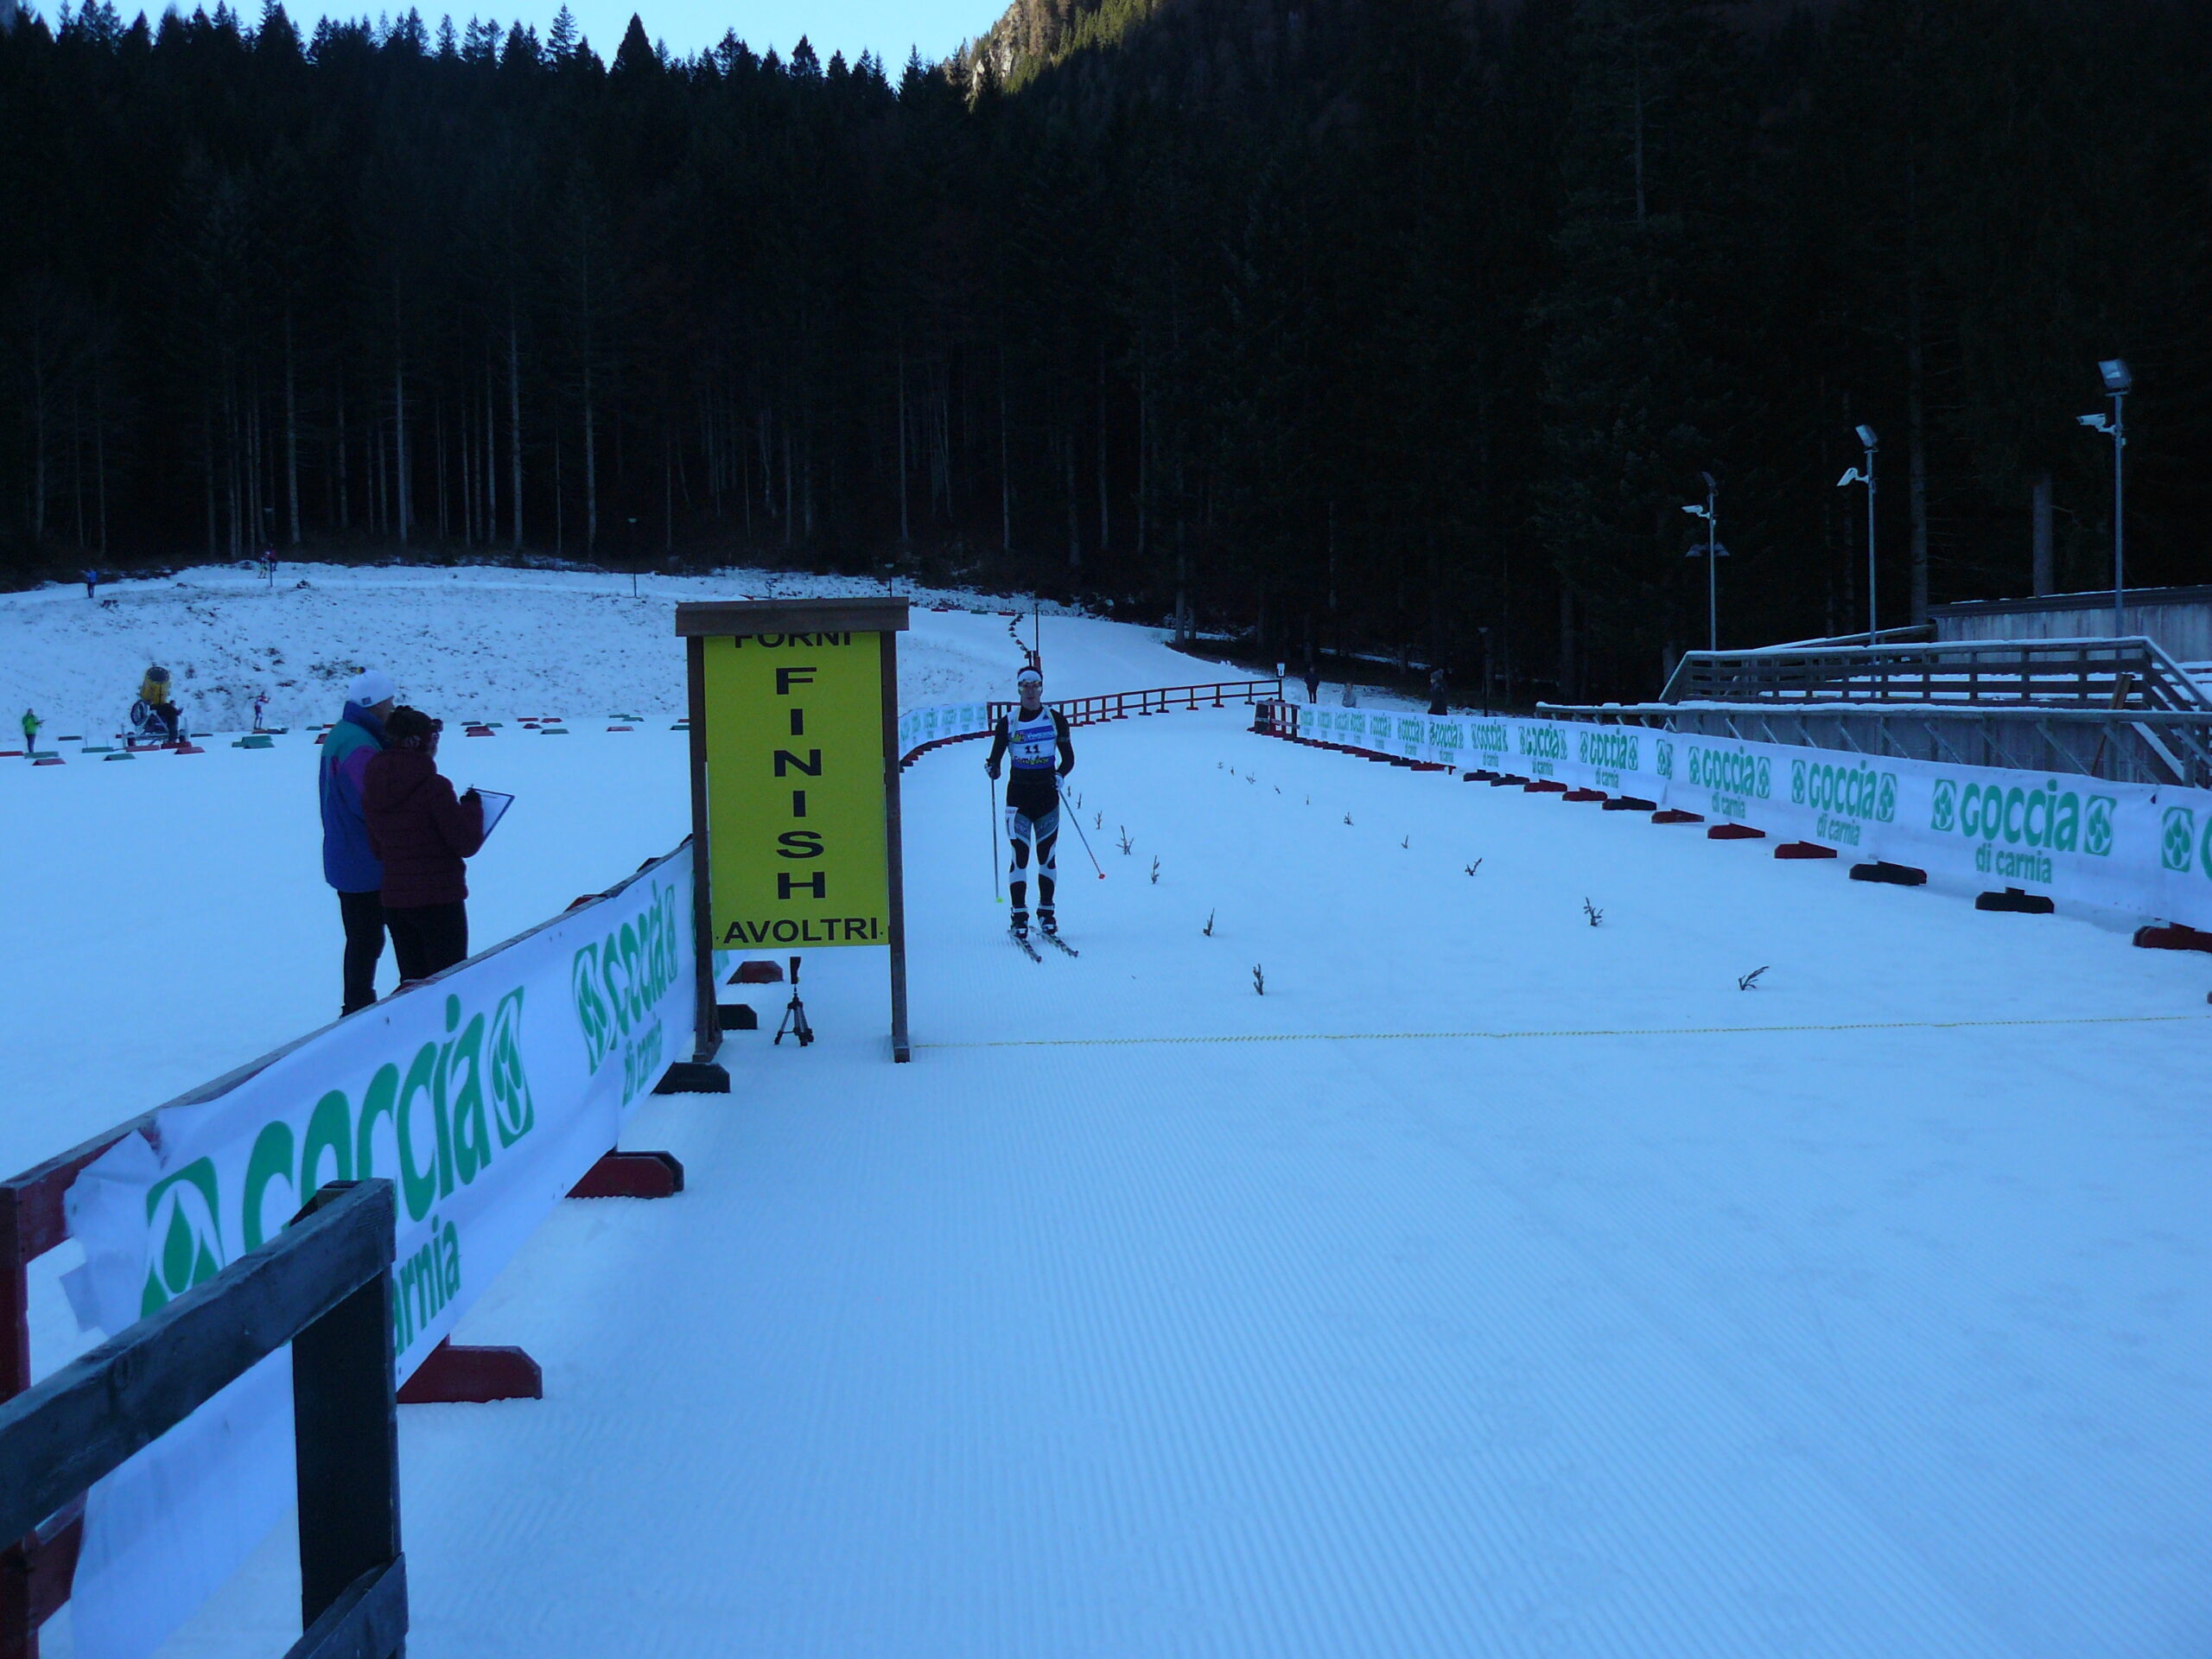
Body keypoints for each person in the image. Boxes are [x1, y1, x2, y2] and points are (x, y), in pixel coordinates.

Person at [363, 707, 486, 985]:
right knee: (449, 984)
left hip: (396, 901)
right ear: (418, 742)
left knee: (413, 986)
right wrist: (472, 809)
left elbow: (378, 848)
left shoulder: (374, 785)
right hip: (439, 900)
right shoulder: (434, 787)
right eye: (433, 739)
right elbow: (466, 843)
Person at [320, 669, 397, 1014]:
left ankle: (357, 1004)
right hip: (364, 859)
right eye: (389, 703)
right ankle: (357, 1008)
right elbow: (372, 802)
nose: (392, 709)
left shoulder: (345, 733)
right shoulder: (359, 745)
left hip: (348, 853)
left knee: (362, 938)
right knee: (367, 939)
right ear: (376, 704)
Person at [985, 664, 1075, 942]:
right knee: (1020, 856)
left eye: (1035, 685)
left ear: (1042, 688)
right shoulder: (1008, 722)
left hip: (1047, 798)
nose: (1031, 691)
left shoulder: (1055, 720)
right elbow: (996, 759)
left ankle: (1047, 913)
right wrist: (992, 769)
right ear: (1019, 689)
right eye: (1026, 686)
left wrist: (1060, 775)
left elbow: (1069, 758)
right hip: (1018, 799)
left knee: (1047, 856)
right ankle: (1019, 915)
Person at [134, 666, 184, 745]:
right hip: (152, 706)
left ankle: (172, 736)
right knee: (170, 711)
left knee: (170, 711)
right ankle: (172, 736)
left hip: (159, 706)